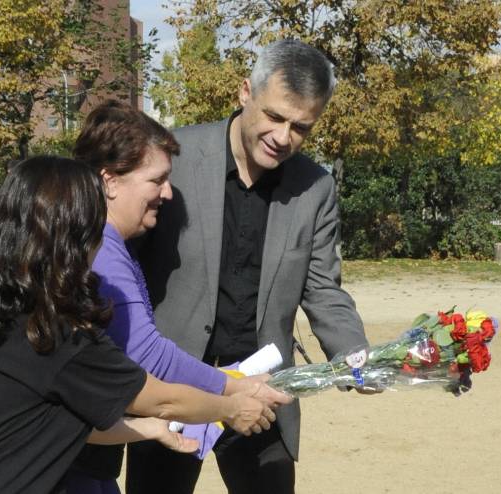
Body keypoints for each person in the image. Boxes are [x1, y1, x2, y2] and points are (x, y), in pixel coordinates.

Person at [0, 156, 277, 493]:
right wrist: (231, 407)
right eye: (97, 226)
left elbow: (51, 422)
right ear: (74, 238)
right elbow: (162, 400)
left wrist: (148, 429)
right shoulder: (52, 334)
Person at [135, 39, 372, 494]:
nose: (283, 137)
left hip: (261, 391)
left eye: (301, 127)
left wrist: (357, 357)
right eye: (274, 117)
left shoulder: (316, 188)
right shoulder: (173, 157)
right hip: (172, 386)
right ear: (246, 92)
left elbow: (324, 289)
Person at [64, 101, 292, 493]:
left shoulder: (109, 244)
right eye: (157, 180)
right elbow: (147, 356)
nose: (167, 193)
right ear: (110, 181)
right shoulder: (101, 250)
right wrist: (231, 389)